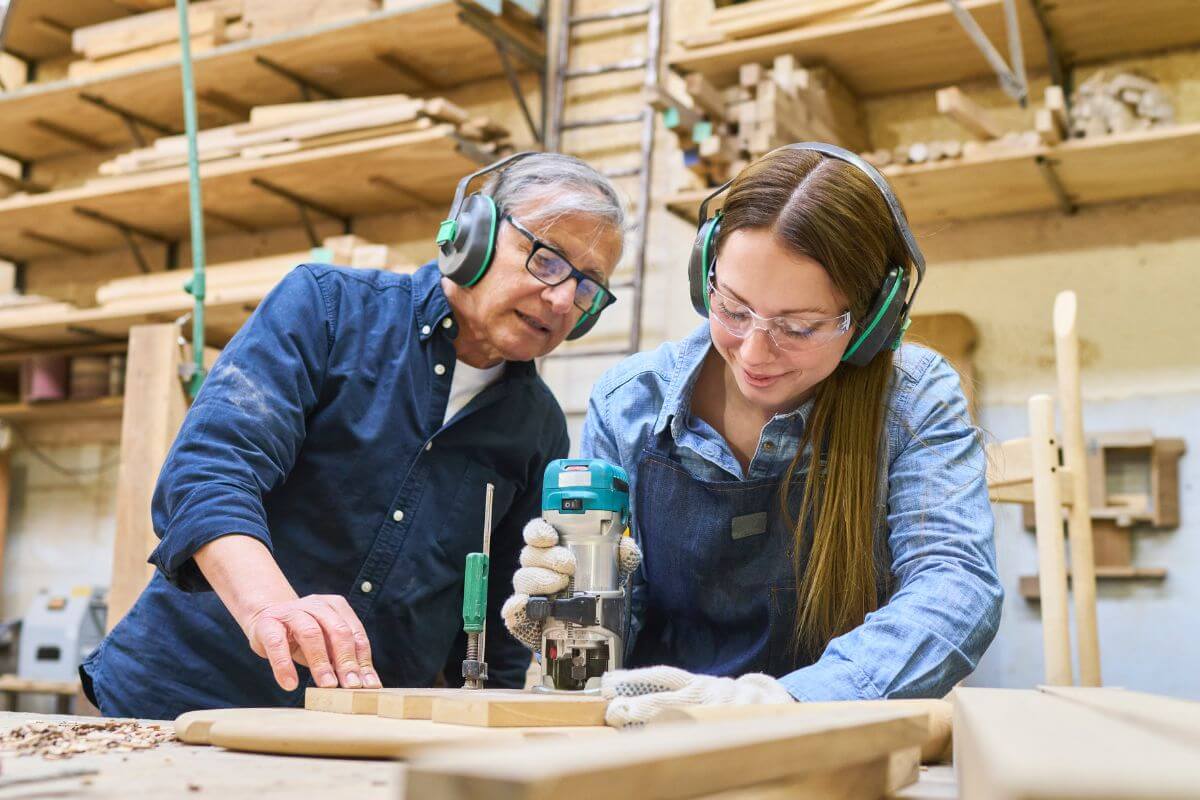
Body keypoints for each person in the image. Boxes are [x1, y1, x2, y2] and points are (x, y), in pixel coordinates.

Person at [81, 152, 626, 719]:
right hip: (181, 699)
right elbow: (207, 475)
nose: (563, 299)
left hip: (355, 734)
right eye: (548, 260)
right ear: (475, 235)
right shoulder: (328, 307)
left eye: (589, 287)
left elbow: (499, 620)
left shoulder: (536, 425)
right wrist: (271, 607)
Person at [503, 144, 1003, 726]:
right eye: (734, 310)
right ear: (704, 277)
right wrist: (568, 613)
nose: (755, 352)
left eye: (800, 327)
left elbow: (955, 583)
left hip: (831, 736)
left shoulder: (912, 399)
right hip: (658, 734)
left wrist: (783, 702)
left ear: (872, 321)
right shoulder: (629, 404)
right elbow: (622, 626)